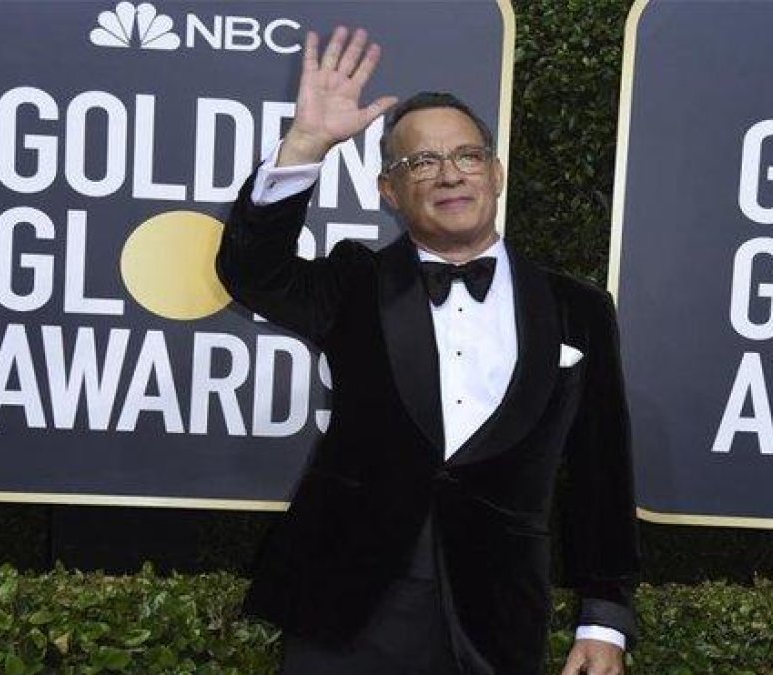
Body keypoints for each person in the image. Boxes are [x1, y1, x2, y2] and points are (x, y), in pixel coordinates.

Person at [217, 26, 639, 675]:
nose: (449, 174)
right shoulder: (356, 284)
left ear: (496, 173)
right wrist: (306, 146)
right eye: (421, 162)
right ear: (389, 190)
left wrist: (604, 614)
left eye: (468, 156)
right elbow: (253, 272)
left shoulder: (577, 308)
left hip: (497, 612)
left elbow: (599, 468)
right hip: (346, 605)